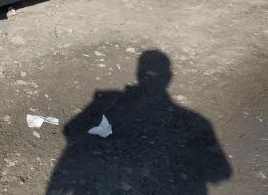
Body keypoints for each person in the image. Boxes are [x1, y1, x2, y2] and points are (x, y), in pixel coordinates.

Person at [47, 50, 232, 195]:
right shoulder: (194, 122)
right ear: (169, 77)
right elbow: (222, 172)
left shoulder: (112, 103)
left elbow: (71, 130)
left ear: (138, 73)